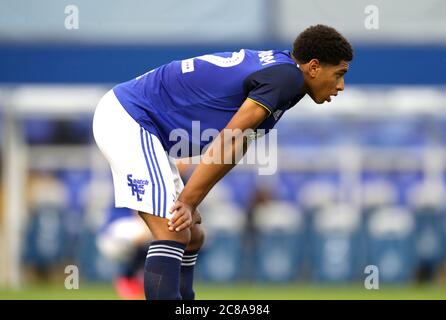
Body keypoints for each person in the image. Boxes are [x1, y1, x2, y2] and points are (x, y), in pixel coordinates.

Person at [92, 24, 353, 300]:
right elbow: (230, 138)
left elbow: (236, 145)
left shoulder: (284, 74)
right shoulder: (287, 78)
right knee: (174, 232)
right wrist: (189, 201)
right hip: (129, 118)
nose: (341, 85)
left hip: (139, 121)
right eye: (339, 74)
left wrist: (192, 199)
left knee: (193, 236)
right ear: (313, 67)